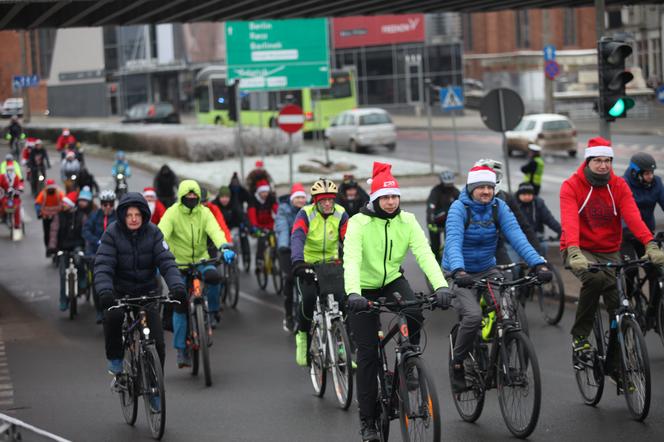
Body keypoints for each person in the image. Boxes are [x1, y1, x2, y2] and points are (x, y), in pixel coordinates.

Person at [343, 162, 451, 441]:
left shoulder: (408, 220)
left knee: (414, 310)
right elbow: (352, 260)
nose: (391, 202)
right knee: (367, 356)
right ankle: (368, 421)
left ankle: (408, 358)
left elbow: (425, 254)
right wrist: (353, 293)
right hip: (362, 289)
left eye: (394, 197)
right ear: (375, 199)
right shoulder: (358, 223)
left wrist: (440, 286)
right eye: (385, 197)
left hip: (391, 279)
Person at [560, 137, 664, 383]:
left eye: (608, 160)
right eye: (598, 160)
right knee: (595, 280)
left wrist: (649, 244)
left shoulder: (618, 185)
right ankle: (580, 337)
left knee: (620, 306)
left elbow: (634, 216)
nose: (604, 165)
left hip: (610, 249)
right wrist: (573, 251)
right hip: (580, 249)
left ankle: (615, 364)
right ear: (588, 161)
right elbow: (570, 221)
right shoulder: (571, 186)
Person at [443, 165, 551, 393]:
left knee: (507, 310)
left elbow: (518, 237)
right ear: (471, 188)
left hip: (487, 268)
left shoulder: (498, 207)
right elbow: (452, 242)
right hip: (458, 271)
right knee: (472, 316)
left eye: (490, 187)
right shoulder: (458, 209)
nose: (486, 191)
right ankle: (458, 363)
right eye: (481, 187)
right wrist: (459, 271)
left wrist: (538, 263)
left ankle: (504, 363)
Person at [94, 192, 186, 376]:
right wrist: (105, 291)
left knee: (158, 342)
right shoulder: (112, 233)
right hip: (120, 293)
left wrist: (177, 286)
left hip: (148, 292)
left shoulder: (153, 233)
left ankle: (154, 383)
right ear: (122, 216)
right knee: (113, 317)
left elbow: (167, 262)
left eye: (137, 215)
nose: (133, 219)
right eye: (129, 215)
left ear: (144, 214)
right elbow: (103, 265)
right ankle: (116, 360)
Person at [158, 180, 235, 367]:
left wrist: (224, 246)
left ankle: (213, 312)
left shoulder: (205, 212)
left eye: (195, 197)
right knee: (180, 304)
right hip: (179, 264)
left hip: (201, 260)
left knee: (215, 277)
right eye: (188, 197)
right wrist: (158, 253)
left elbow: (215, 231)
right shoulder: (172, 213)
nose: (192, 199)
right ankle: (181, 351)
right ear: (182, 197)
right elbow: (161, 235)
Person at [290, 179, 347, 364]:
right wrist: (298, 261)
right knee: (308, 300)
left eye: (331, 199)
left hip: (331, 264)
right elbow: (297, 237)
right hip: (308, 264)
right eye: (324, 200)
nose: (328, 203)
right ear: (316, 201)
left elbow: (350, 238)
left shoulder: (341, 213)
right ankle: (303, 337)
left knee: (344, 301)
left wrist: (355, 259)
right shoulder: (305, 213)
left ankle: (342, 347)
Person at [474, 158, 541, 264]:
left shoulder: (505, 200)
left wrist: (536, 258)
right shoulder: (462, 204)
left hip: (498, 247)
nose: (486, 190)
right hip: (470, 256)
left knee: (512, 272)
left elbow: (520, 228)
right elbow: (454, 239)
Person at [621, 153, 664, 306]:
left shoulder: (657, 183)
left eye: (652, 172)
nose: (650, 176)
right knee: (630, 270)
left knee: (656, 271)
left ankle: (653, 312)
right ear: (635, 173)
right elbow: (623, 212)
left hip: (646, 234)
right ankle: (630, 304)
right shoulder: (623, 183)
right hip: (626, 235)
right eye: (646, 173)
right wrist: (628, 230)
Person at [48, 192, 88, 311]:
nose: (62, 205)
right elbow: (54, 231)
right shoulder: (59, 216)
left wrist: (87, 247)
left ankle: (82, 278)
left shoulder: (82, 216)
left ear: (71, 205)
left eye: (65, 203)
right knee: (62, 273)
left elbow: (86, 232)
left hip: (77, 245)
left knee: (79, 260)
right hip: (63, 247)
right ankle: (63, 300)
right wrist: (52, 246)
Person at [83, 189, 117, 323]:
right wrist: (96, 240)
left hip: (113, 254)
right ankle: (99, 310)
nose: (108, 207)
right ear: (101, 204)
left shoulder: (118, 217)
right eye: (105, 204)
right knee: (97, 284)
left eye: (110, 204)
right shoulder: (94, 215)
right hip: (95, 253)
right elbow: (85, 230)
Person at [515, 182, 561, 256]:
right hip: (517, 237)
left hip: (536, 236)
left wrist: (561, 231)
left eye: (529, 195)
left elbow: (549, 219)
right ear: (519, 195)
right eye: (524, 195)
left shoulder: (538, 203)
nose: (527, 197)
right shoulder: (513, 204)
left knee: (543, 249)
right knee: (515, 261)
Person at [426, 170, 460, 261]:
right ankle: (435, 259)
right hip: (435, 220)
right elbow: (431, 205)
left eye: (450, 184)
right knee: (435, 244)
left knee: (450, 242)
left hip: (449, 221)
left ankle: (447, 257)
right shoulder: (436, 191)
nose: (449, 186)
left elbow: (462, 204)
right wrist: (430, 218)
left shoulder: (455, 191)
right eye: (446, 184)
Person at [247, 179, 278, 273]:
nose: (265, 194)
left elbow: (277, 210)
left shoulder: (271, 198)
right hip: (258, 225)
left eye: (266, 192)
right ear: (259, 192)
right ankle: (259, 261)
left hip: (269, 224)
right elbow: (252, 214)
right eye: (263, 192)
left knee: (275, 242)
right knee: (262, 240)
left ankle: (273, 262)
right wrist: (255, 226)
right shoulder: (253, 200)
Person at [35, 179, 64, 252]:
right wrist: (39, 213)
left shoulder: (59, 194)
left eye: (52, 188)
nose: (51, 190)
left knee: (58, 232)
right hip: (46, 217)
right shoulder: (43, 194)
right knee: (47, 233)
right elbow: (37, 204)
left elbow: (64, 202)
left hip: (57, 217)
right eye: (49, 188)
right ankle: (48, 248)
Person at [0, 160, 24, 233]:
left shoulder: (16, 177)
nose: (10, 171)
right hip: (5, 195)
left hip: (14, 196)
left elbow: (20, 183)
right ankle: (3, 217)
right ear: (6, 170)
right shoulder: (2, 176)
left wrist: (20, 188)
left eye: (11, 170)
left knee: (17, 207)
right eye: (9, 170)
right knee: (2, 205)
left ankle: (17, 224)